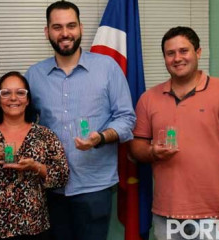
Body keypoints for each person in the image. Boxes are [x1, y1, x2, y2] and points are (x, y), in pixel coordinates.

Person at [24, 1, 136, 240]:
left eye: (71, 25)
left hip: (94, 186)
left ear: (81, 28)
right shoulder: (34, 75)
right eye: (57, 27)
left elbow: (127, 119)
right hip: (51, 187)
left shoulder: (107, 67)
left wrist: (101, 137)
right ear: (47, 32)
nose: (65, 33)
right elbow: (23, 125)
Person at [130, 26, 219, 240]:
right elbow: (136, 148)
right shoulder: (148, 99)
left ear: (198, 52)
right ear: (165, 58)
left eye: (184, 51)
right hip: (165, 214)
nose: (177, 58)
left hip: (216, 214)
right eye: (170, 53)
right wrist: (152, 152)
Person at [0, 71, 69, 240]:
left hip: (34, 225)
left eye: (20, 93)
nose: (13, 98)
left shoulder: (45, 135)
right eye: (6, 93)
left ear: (27, 100)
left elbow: (62, 176)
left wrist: (36, 167)